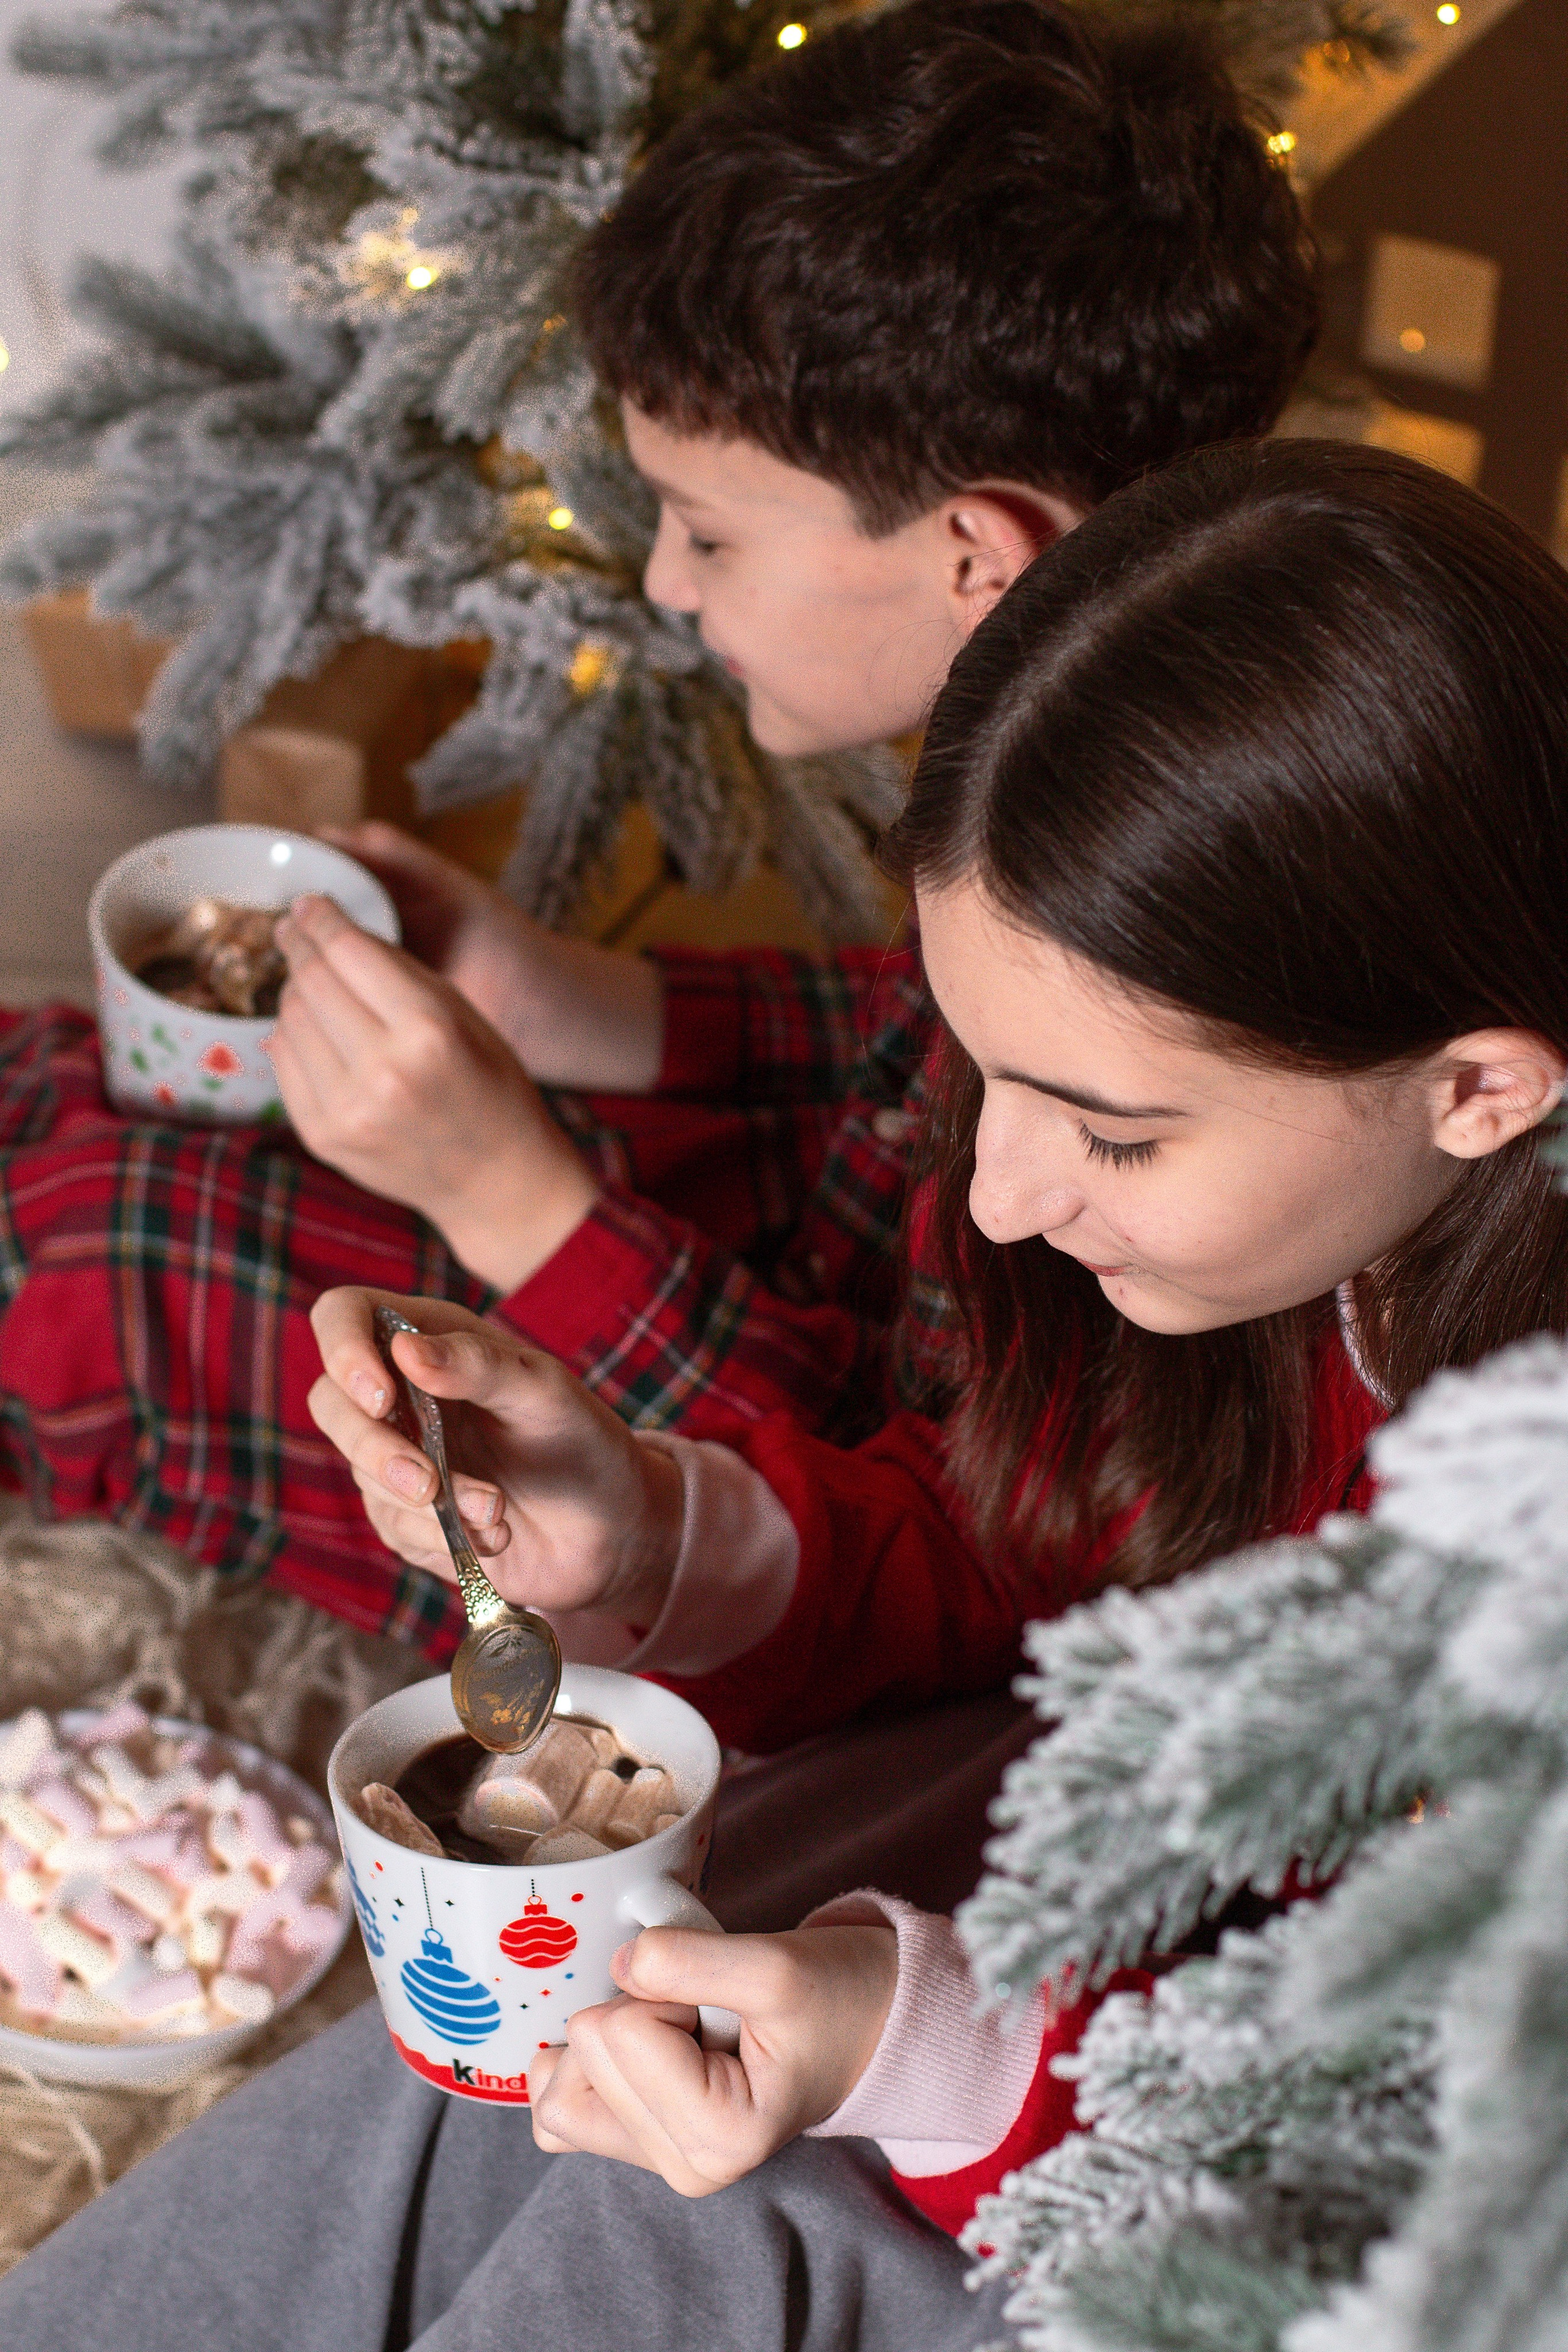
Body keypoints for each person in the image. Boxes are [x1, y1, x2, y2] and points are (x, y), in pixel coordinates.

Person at [9, 438, 1565, 2350]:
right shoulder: (1307, 1265)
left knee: (709, 2223)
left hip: (1290, 2208)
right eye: (992, 1080)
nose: (995, 1197)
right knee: (523, 2031)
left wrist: (927, 2046)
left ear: (1481, 1088)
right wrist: (666, 1529)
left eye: (1119, 1136)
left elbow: (1429, 2152)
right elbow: (1032, 1546)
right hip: (1138, 1902)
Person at [0, 0, 1317, 1651]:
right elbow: (905, 1038)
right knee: (62, 1086)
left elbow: (903, 1503)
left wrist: (507, 1192)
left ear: (981, 551)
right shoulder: (1099, 725)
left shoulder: (1174, 928)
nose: (666, 585)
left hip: (819, 1496)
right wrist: (574, 1000)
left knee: (128, 1249)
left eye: (706, 532)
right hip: (848, 1237)